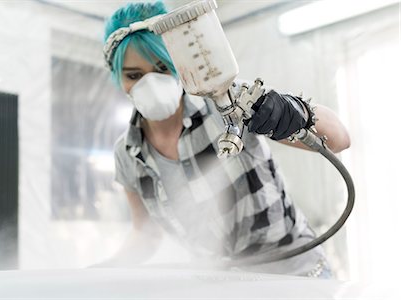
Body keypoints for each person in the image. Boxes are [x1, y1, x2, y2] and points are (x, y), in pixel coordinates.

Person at [94, 1, 350, 278]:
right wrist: (97, 273)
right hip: (227, 286)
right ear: (117, 78)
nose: (150, 83)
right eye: (134, 75)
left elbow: (338, 138)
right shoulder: (127, 153)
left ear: (179, 64)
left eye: (162, 68)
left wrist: (290, 110)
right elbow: (145, 234)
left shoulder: (228, 104)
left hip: (298, 277)